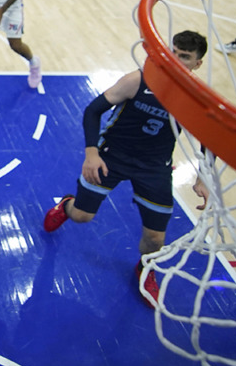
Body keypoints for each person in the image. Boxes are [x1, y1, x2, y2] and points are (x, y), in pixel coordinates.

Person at [42, 30, 210, 305]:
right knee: (82, 217)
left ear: (197, 64)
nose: (177, 59)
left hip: (154, 167)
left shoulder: (198, 98)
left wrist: (203, 178)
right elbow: (92, 110)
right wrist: (91, 153)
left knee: (156, 238)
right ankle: (67, 206)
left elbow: (209, 138)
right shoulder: (138, 79)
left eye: (185, 57)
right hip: (112, 157)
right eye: (174, 52)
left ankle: (145, 269)